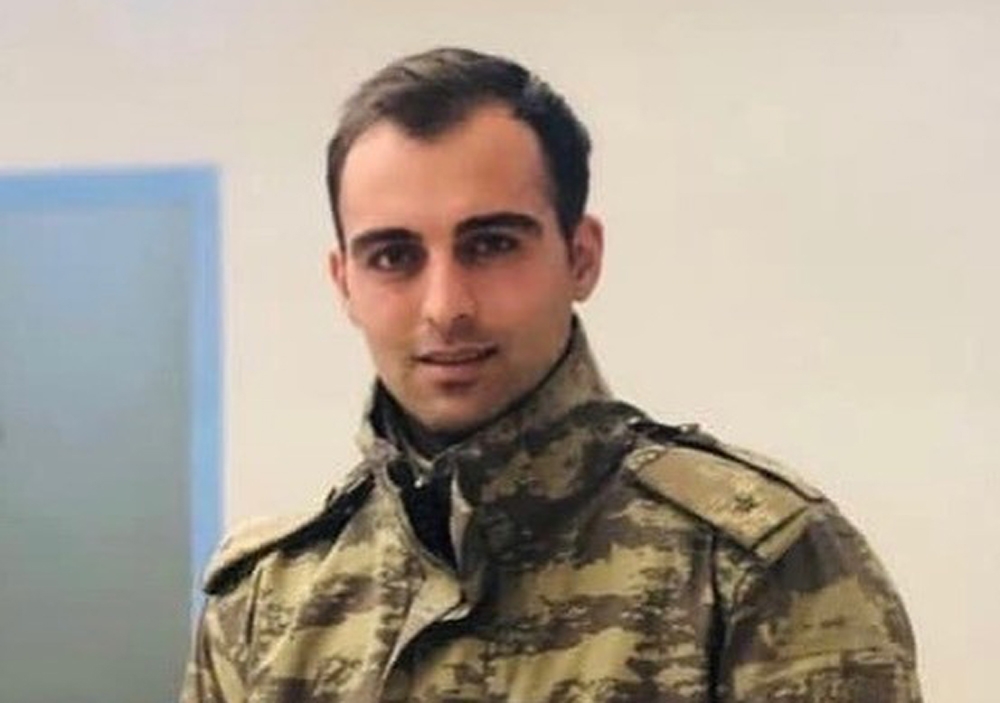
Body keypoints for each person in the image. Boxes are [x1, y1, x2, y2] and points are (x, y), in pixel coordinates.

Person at [179, 47, 922, 702]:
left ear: (581, 256)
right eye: (394, 257)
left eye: (491, 244)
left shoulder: (751, 565)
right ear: (344, 282)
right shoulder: (267, 601)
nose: (445, 307)